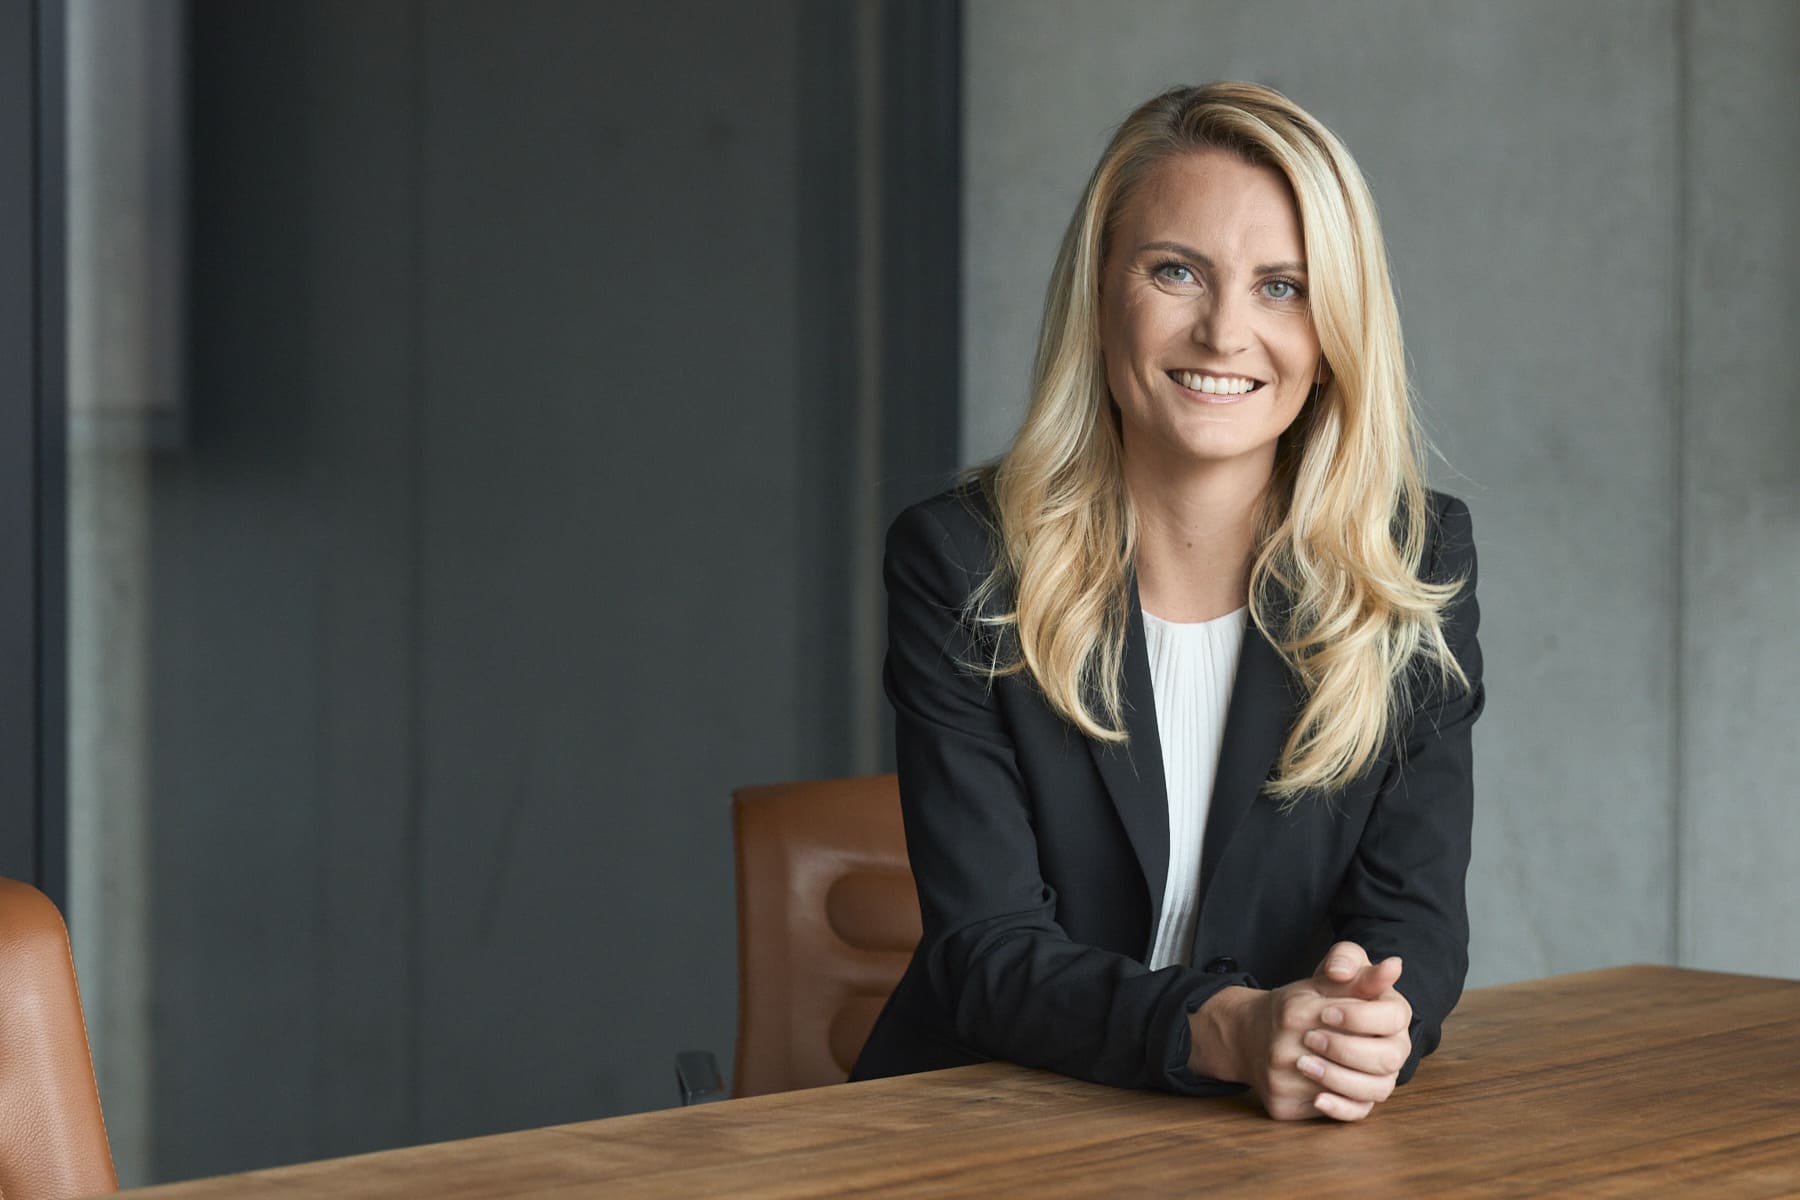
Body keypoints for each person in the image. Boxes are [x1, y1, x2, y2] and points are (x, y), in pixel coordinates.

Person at [850, 82, 1484, 1123]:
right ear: (1101, 296)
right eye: (1176, 271)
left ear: (1336, 332)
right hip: (990, 1120)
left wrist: (1366, 1028)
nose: (1226, 332)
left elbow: (1414, 921)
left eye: (1283, 287)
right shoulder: (965, 561)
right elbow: (987, 952)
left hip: (1265, 1136)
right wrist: (1230, 1031)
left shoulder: (1405, 561)